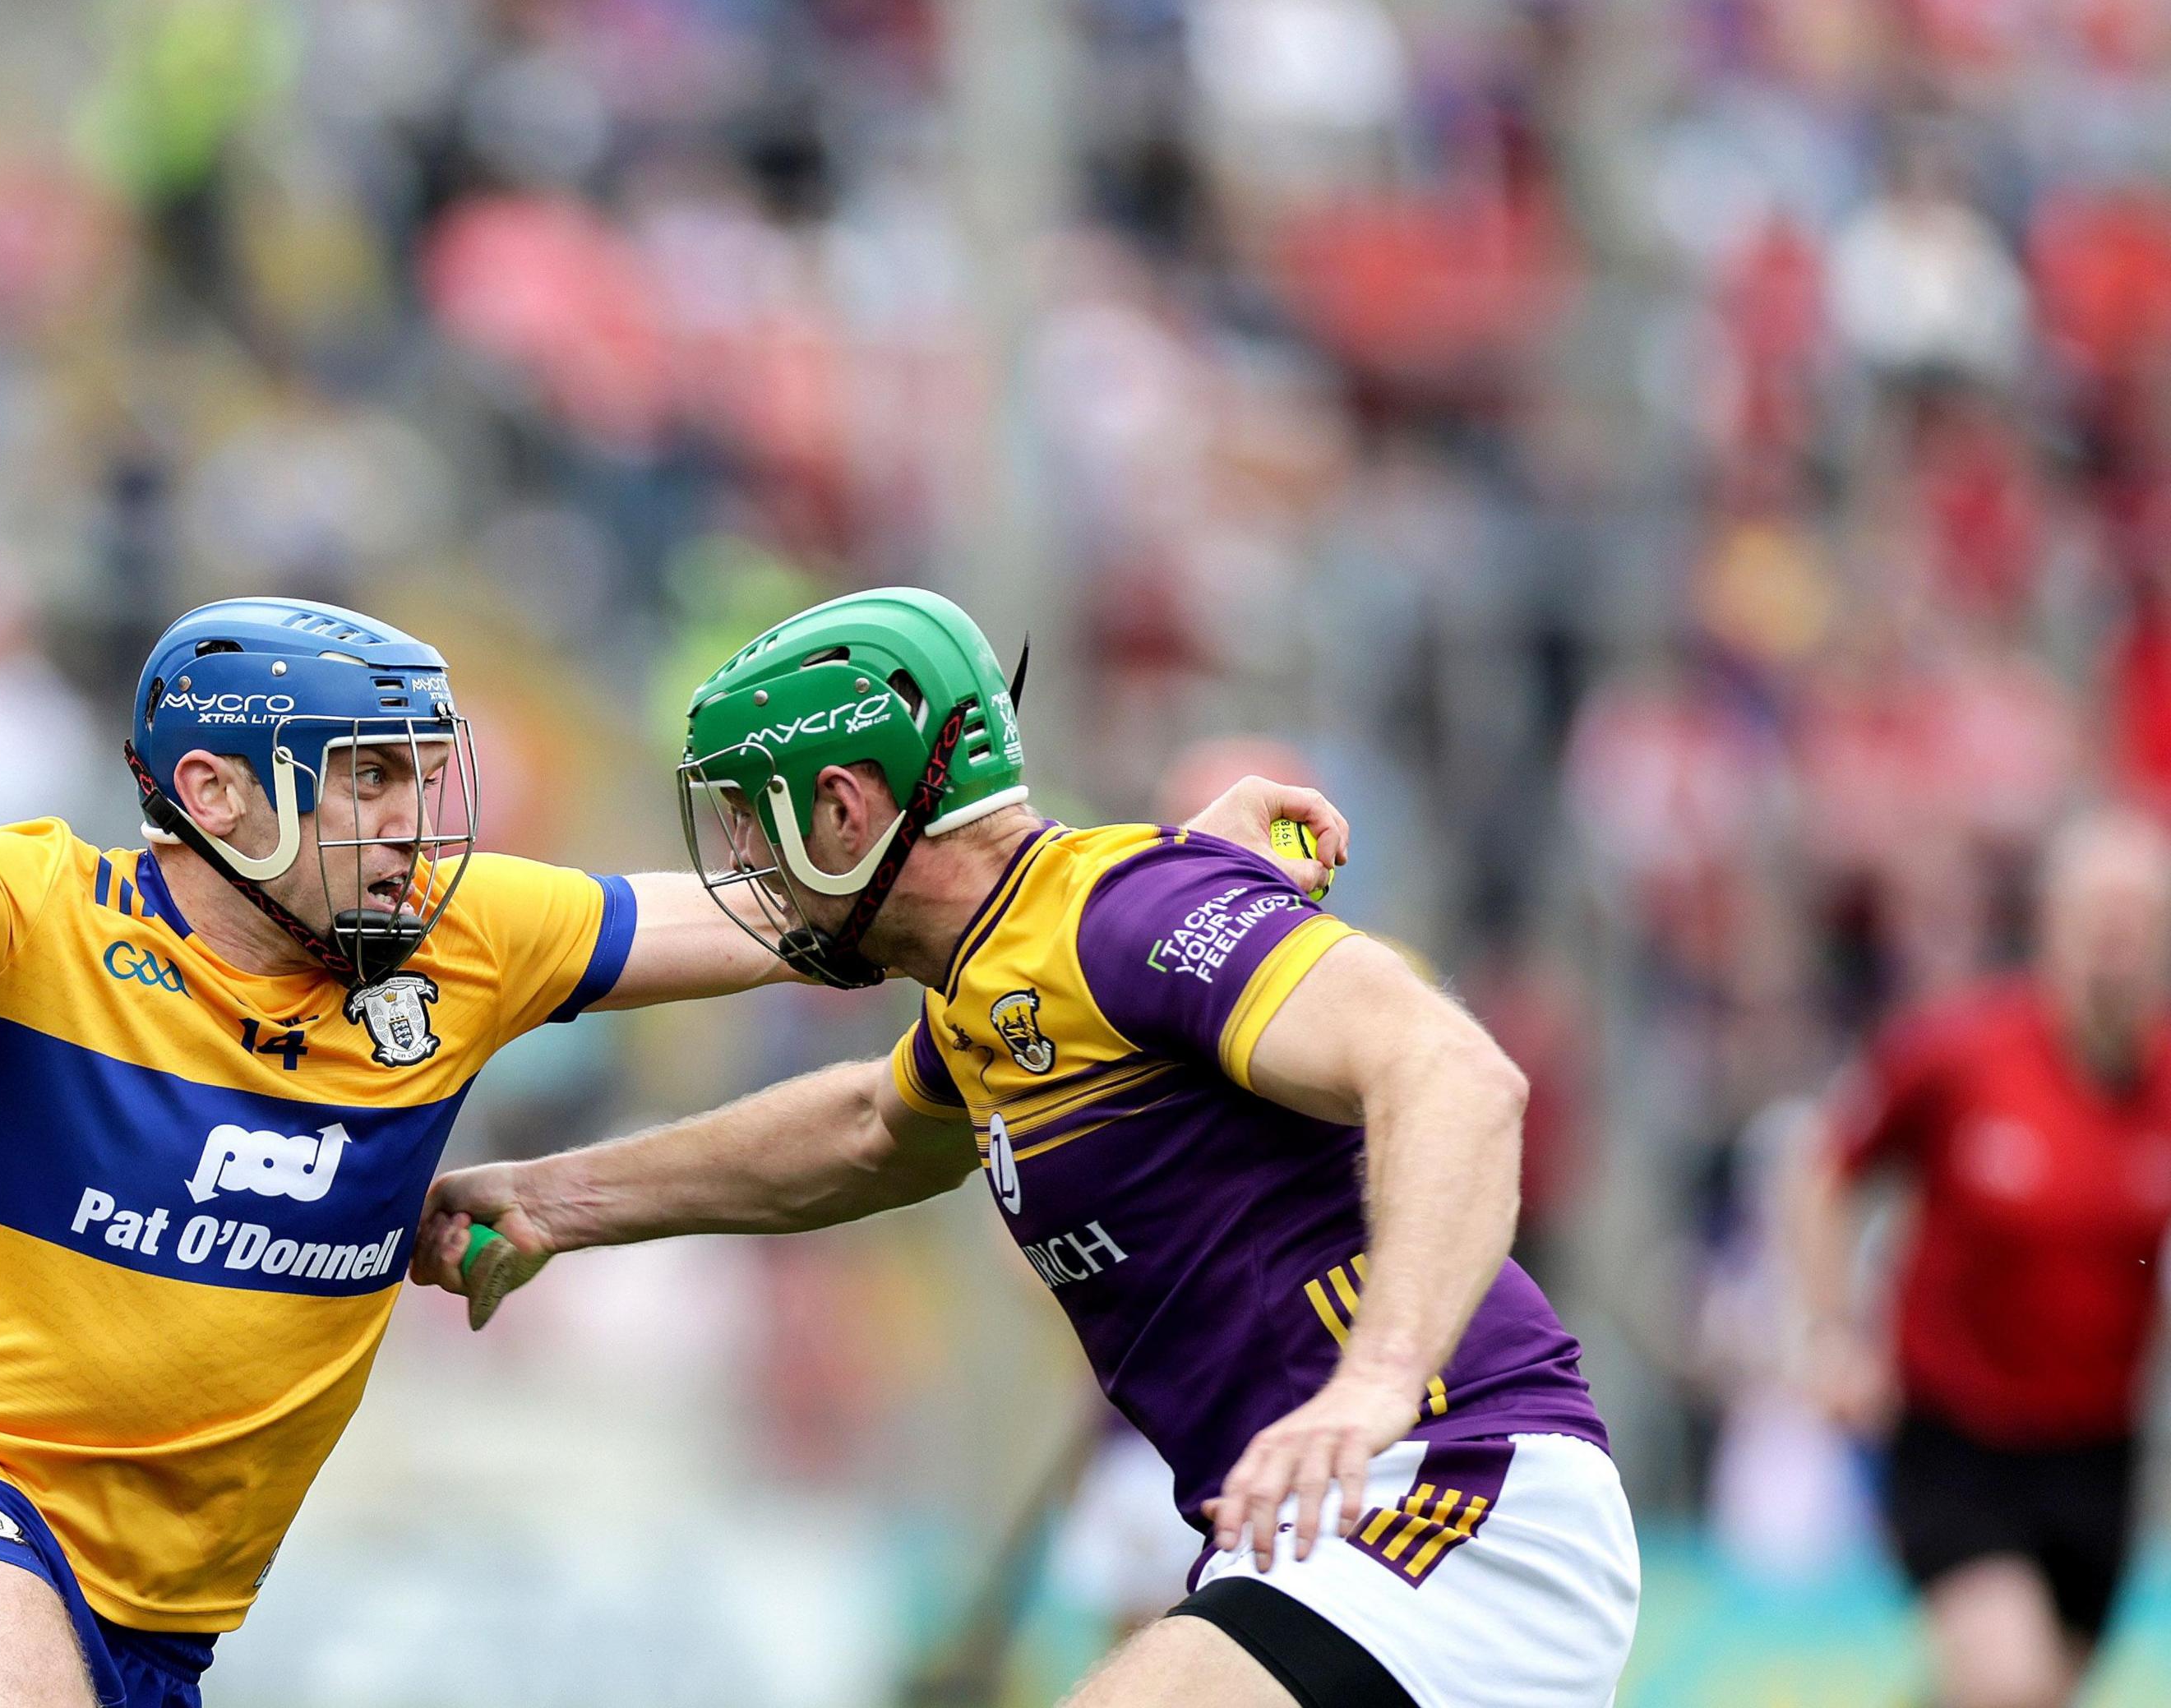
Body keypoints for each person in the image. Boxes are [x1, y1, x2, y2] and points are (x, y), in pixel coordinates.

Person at [0, 330, 1344, 1708]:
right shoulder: (36, 921)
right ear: (209, 792)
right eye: (367, 782)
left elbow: (839, 903)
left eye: (426, 779)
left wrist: (1147, 877)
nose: (417, 825)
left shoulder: (472, 934)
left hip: (163, 1635)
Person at [418, 588, 1638, 1708]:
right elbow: (867, 1131)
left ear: (846, 808)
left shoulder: (1128, 917)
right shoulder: (996, 978)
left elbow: (1456, 1073)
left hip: (1449, 1488)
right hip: (1310, 1525)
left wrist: (1375, 1383)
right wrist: (554, 1200)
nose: (744, 868)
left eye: (754, 819)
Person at [1785, 810, 2171, 1708]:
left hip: (2098, 1448)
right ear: (2050, 925)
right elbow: (1823, 1170)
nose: (2116, 946)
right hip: (1958, 1434)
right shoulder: (1959, 1055)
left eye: (2139, 922)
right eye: (2098, 919)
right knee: (2010, 1685)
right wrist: (1830, 1332)